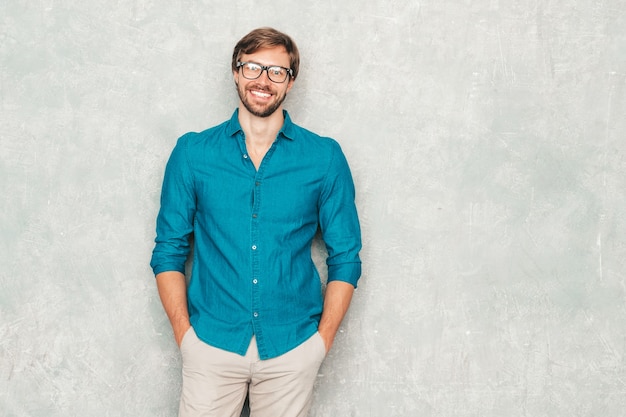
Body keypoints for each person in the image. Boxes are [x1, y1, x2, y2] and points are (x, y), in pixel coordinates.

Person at [150, 27, 362, 417]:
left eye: (276, 71)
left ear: (291, 81)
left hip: (292, 346)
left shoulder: (324, 157)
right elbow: (169, 250)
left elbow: (346, 256)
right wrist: (186, 338)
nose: (263, 80)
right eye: (252, 67)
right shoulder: (193, 153)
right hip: (211, 344)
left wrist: (320, 344)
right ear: (235, 72)